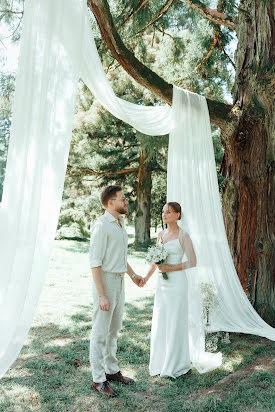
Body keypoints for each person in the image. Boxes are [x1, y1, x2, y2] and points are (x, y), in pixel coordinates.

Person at [89, 185, 144, 397]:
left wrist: (133, 275)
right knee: (100, 332)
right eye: (123, 199)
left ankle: (112, 371)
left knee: (113, 330)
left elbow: (121, 257)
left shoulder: (119, 224)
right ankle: (98, 379)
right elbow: (95, 263)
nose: (126, 201)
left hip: (120, 281)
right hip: (106, 283)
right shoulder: (101, 226)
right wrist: (102, 294)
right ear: (111, 203)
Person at [144, 202, 197, 378]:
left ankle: (176, 364)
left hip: (177, 284)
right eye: (163, 212)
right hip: (162, 285)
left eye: (169, 212)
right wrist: (145, 278)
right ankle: (160, 361)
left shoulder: (183, 236)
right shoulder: (161, 234)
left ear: (177, 214)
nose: (164, 214)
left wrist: (170, 269)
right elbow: (156, 261)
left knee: (175, 320)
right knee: (162, 320)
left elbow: (192, 261)